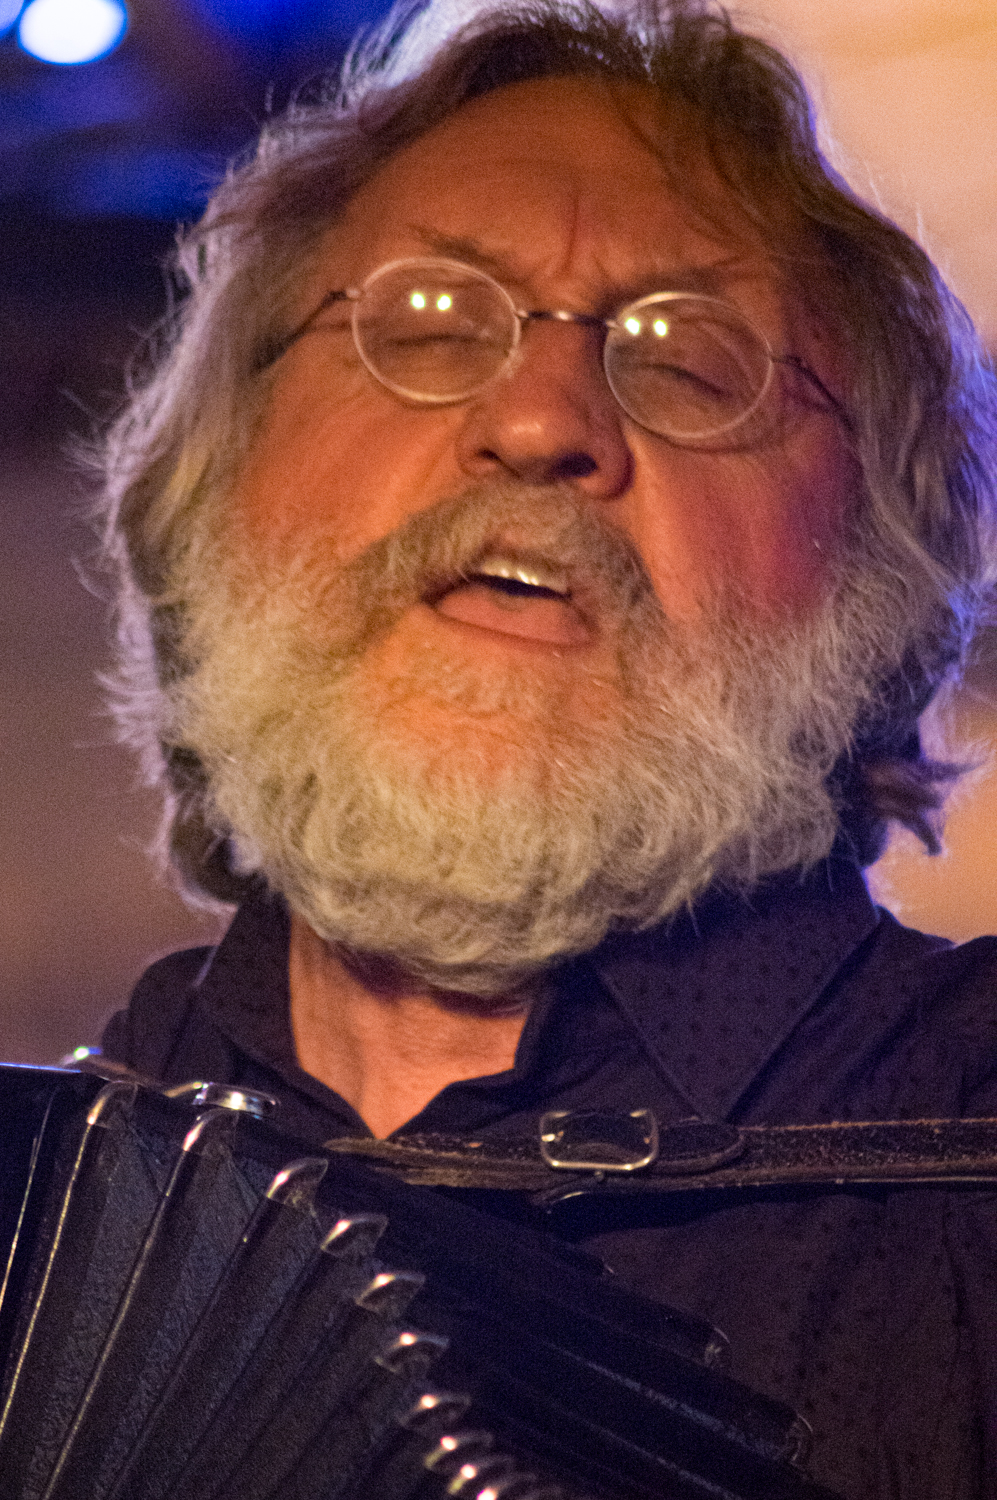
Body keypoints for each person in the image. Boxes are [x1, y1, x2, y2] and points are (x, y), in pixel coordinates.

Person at [92, 1, 997, 1494]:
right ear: (223, 475)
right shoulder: (64, 1185)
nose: (538, 418)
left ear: (880, 584)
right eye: (428, 323)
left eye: (692, 363)